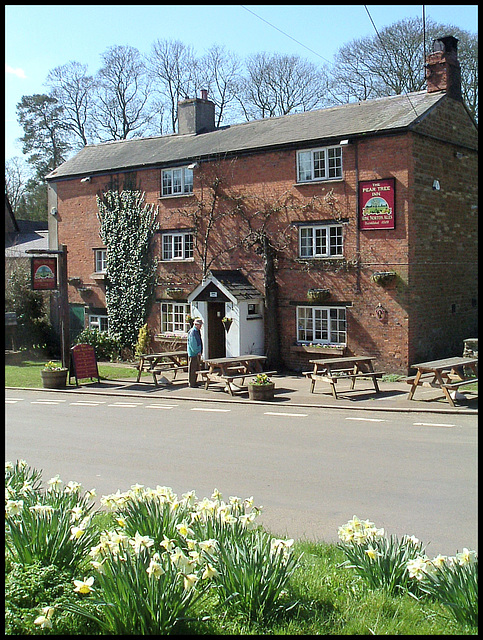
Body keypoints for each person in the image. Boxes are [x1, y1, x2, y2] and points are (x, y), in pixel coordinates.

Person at [187, 318, 203, 387]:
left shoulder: (197, 331)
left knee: (196, 368)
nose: (201, 326)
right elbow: (192, 344)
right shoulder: (192, 332)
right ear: (196, 325)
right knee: (192, 369)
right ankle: (191, 383)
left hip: (197, 353)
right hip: (193, 354)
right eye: (200, 325)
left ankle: (194, 381)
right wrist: (197, 351)